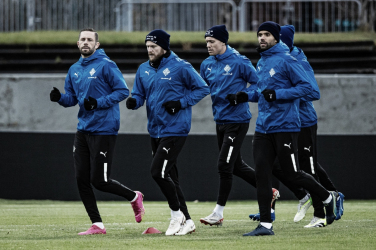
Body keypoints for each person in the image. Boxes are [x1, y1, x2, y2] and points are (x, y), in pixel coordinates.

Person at [238, 21, 337, 236]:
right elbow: (262, 91)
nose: (262, 38)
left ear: (276, 38)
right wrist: (244, 95)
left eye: (266, 35)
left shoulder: (288, 60)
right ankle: (265, 225)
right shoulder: (263, 62)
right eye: (259, 34)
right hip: (263, 127)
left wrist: (279, 94)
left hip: (285, 126)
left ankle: (328, 197)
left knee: (293, 174)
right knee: (263, 174)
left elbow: (310, 89)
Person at [49, 28, 145, 235]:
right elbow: (72, 99)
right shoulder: (74, 69)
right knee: (81, 179)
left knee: (99, 181)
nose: (85, 42)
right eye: (82, 39)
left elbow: (122, 91)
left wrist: (98, 103)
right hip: (83, 129)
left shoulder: (106, 65)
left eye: (89, 40)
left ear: (97, 45)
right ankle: (98, 225)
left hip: (104, 128)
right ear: (78, 44)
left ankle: (134, 196)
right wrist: (60, 98)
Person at [125, 29, 209, 236]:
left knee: (158, 172)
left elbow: (203, 88)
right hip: (155, 129)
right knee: (171, 178)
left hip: (175, 129)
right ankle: (188, 221)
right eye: (147, 47)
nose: (150, 50)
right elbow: (139, 94)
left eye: (153, 47)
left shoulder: (181, 67)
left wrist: (180, 103)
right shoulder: (143, 69)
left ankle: (176, 216)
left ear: (164, 47)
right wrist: (134, 101)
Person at [198, 24, 280, 227]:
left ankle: (218, 213)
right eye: (206, 42)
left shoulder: (239, 62)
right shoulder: (207, 64)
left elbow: (259, 84)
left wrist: (241, 96)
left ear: (223, 42)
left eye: (212, 42)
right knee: (235, 166)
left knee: (224, 165)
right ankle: (269, 191)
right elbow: (201, 88)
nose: (208, 45)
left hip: (238, 120)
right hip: (220, 121)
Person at [280, 25, 345, 225]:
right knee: (286, 165)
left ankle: (320, 214)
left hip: (304, 121)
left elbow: (313, 92)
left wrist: (286, 93)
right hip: (288, 122)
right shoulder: (278, 59)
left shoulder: (298, 62)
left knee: (308, 167)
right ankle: (329, 195)